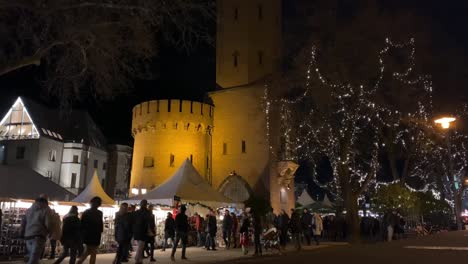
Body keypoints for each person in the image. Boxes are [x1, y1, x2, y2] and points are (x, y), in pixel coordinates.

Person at [21, 197, 52, 264]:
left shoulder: (29, 210)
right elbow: (48, 223)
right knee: (34, 259)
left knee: (33, 256)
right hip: (38, 235)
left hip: (28, 235)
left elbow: (23, 222)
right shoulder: (46, 210)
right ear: (46, 202)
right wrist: (50, 232)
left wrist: (22, 232)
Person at [77, 196, 103, 264]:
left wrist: (82, 235)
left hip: (88, 235)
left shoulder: (86, 212)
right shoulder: (99, 213)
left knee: (88, 251)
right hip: (96, 235)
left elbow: (82, 224)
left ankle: (79, 262)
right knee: (93, 252)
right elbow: (100, 225)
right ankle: (79, 262)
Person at [132, 199, 153, 264]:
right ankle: (137, 258)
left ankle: (140, 260)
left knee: (140, 246)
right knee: (141, 246)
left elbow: (134, 221)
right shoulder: (147, 212)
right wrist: (150, 231)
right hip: (143, 231)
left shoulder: (137, 212)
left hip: (137, 230)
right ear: (146, 204)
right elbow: (148, 222)